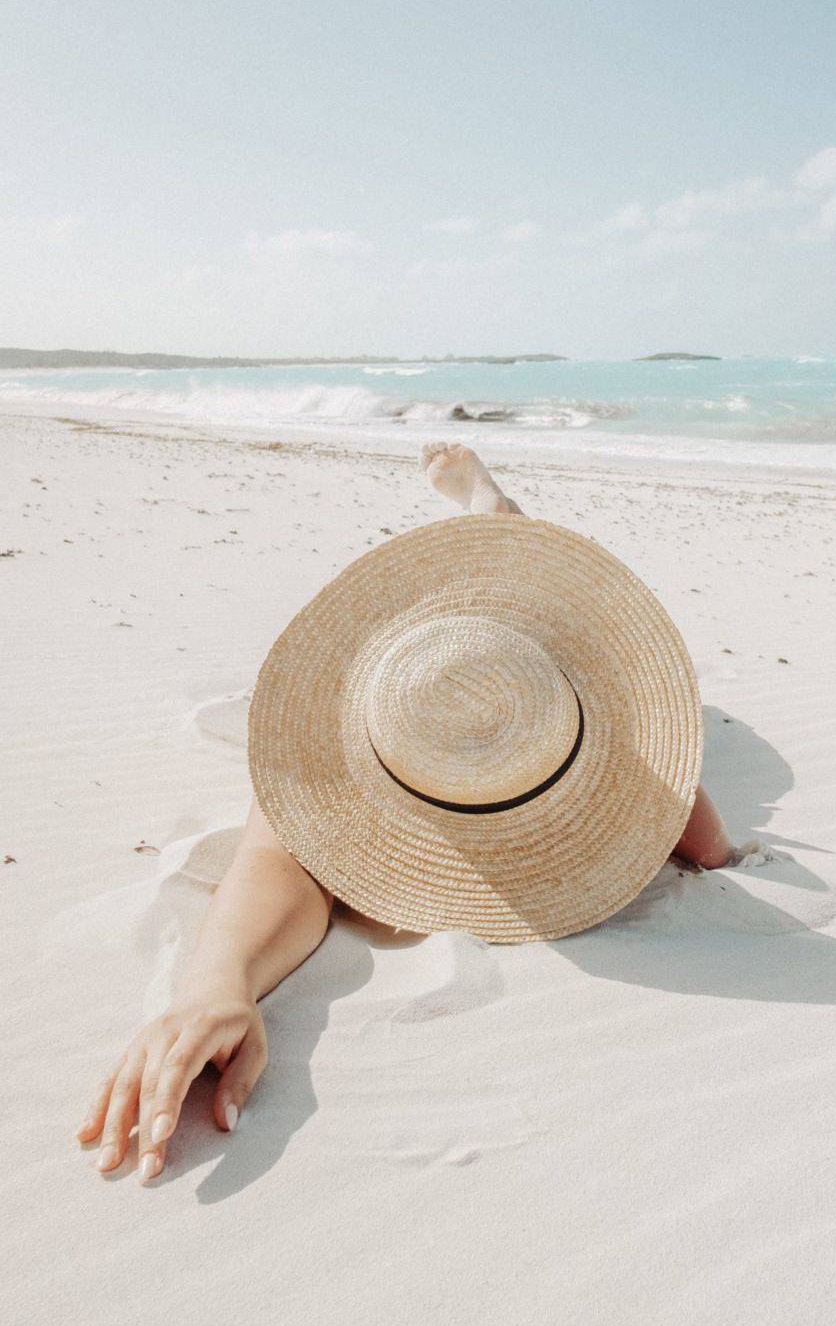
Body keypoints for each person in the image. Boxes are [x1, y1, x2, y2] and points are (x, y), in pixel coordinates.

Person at [75, 443, 742, 1183]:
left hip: (519, 660)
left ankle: (490, 505)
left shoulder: (556, 705)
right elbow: (278, 858)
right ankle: (488, 508)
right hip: (428, 659)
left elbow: (695, 829)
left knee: (511, 559)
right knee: (494, 574)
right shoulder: (375, 721)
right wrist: (216, 985)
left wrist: (666, 803)